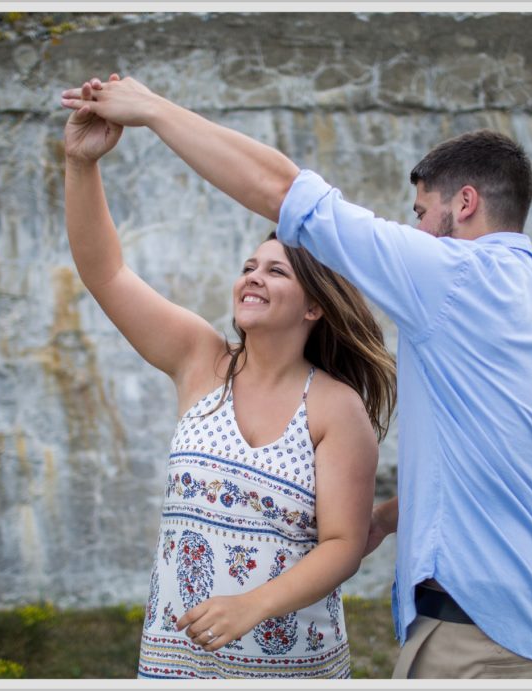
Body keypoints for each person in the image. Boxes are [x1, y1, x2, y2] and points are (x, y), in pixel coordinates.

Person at [61, 74, 532, 679]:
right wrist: (389, 518)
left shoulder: (456, 281)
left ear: (463, 204)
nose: (413, 232)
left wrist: (150, 108)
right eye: (248, 266)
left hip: (475, 635)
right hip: (520, 625)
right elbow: (502, 462)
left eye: (420, 214)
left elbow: (283, 190)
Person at [61, 78, 396, 679]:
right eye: (248, 267)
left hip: (290, 667)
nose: (253, 277)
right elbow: (104, 272)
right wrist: (81, 165)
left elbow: (344, 545)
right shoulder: (200, 361)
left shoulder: (334, 408)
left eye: (276, 272)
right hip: (176, 661)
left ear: (314, 306)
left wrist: (252, 606)